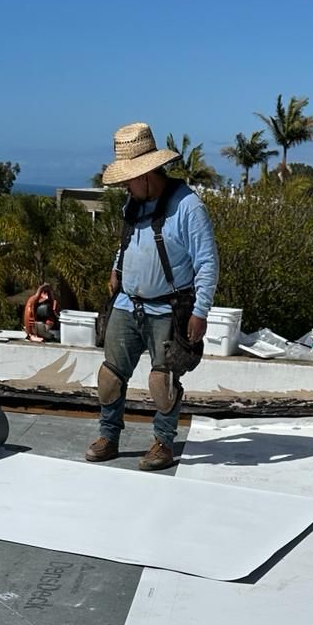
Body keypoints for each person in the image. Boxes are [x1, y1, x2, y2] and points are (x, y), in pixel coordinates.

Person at [87, 122, 218, 471]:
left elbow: (207, 262)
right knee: (110, 377)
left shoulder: (188, 207)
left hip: (167, 309)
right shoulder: (134, 202)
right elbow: (127, 242)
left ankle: (163, 443)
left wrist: (200, 311)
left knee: (163, 382)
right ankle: (109, 436)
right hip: (127, 304)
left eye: (130, 178)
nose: (126, 185)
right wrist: (117, 269)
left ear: (147, 174)